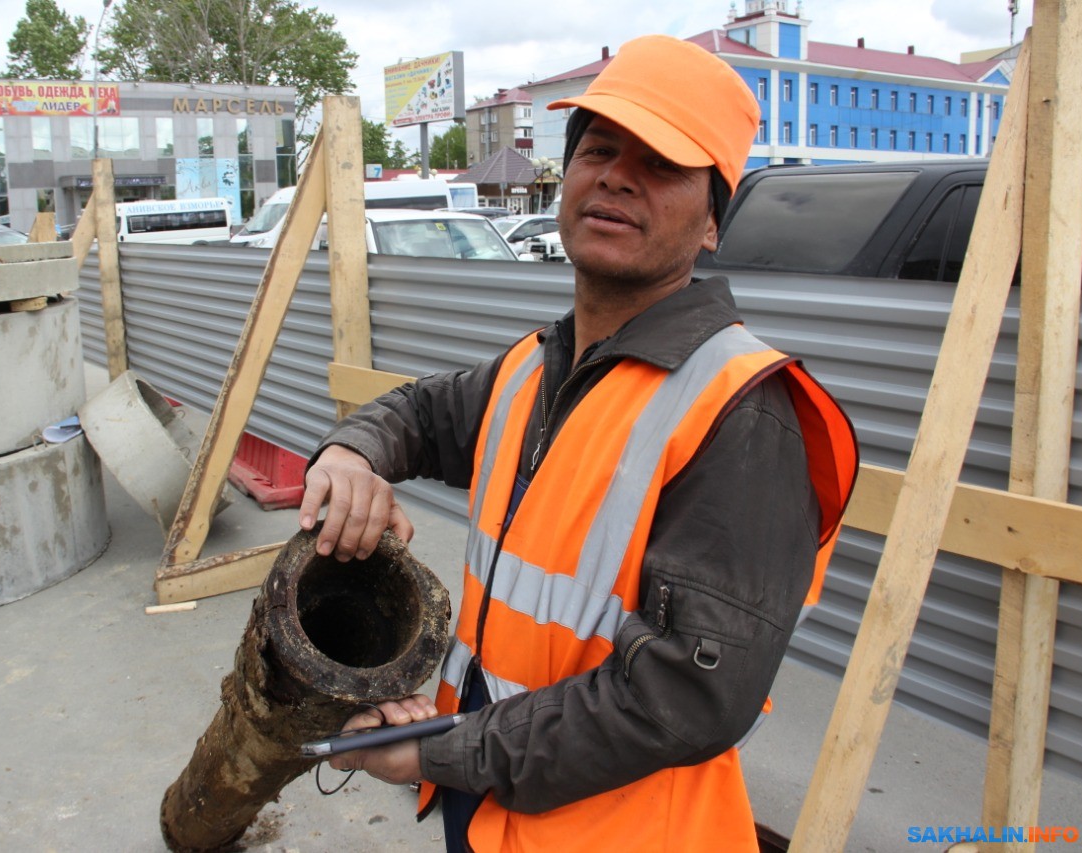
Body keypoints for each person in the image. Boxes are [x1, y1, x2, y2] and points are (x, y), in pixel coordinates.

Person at [298, 34, 858, 853]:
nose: (618, 175)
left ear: (711, 224)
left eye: (662, 163)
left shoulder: (741, 415)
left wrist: (443, 748)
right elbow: (418, 414)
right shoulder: (538, 365)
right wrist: (351, 453)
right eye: (599, 149)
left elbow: (685, 700)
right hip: (486, 806)